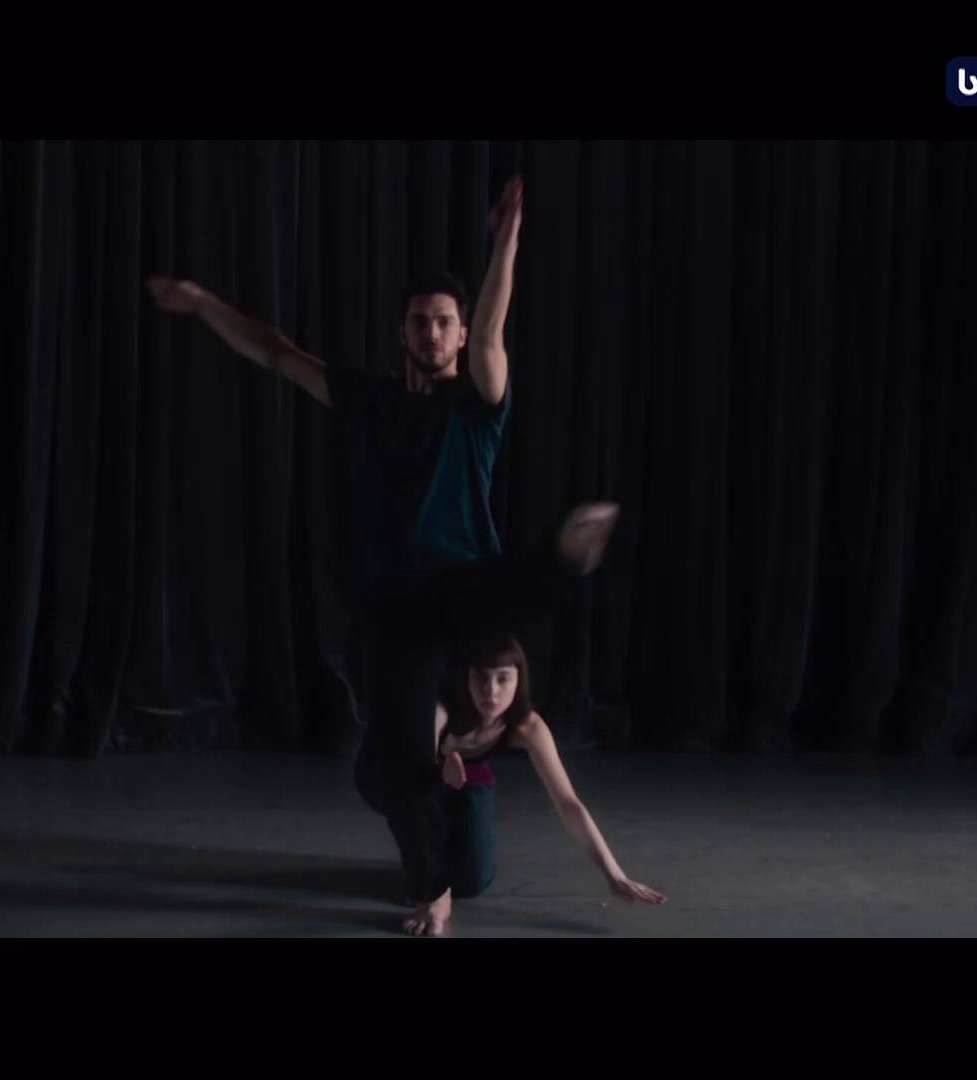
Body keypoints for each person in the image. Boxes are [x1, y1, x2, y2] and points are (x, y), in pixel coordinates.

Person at [149, 177, 635, 934]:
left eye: (445, 323)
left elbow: (495, 329)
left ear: (458, 334)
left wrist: (506, 244)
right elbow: (276, 354)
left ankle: (567, 556)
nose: (433, 334)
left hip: (466, 584)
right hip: (393, 607)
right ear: (402, 333)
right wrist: (206, 304)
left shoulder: (476, 404)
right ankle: (431, 888)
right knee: (396, 764)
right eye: (420, 323)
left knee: (505, 587)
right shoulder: (370, 399)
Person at [409, 633, 665, 935]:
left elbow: (568, 803)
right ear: (467, 678)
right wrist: (436, 893)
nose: (491, 692)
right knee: (425, 856)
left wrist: (614, 874)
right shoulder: (441, 709)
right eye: (481, 678)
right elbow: (408, 781)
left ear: (519, 680)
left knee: (471, 882)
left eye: (503, 679)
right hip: (423, 783)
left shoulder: (527, 725)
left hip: (472, 781)